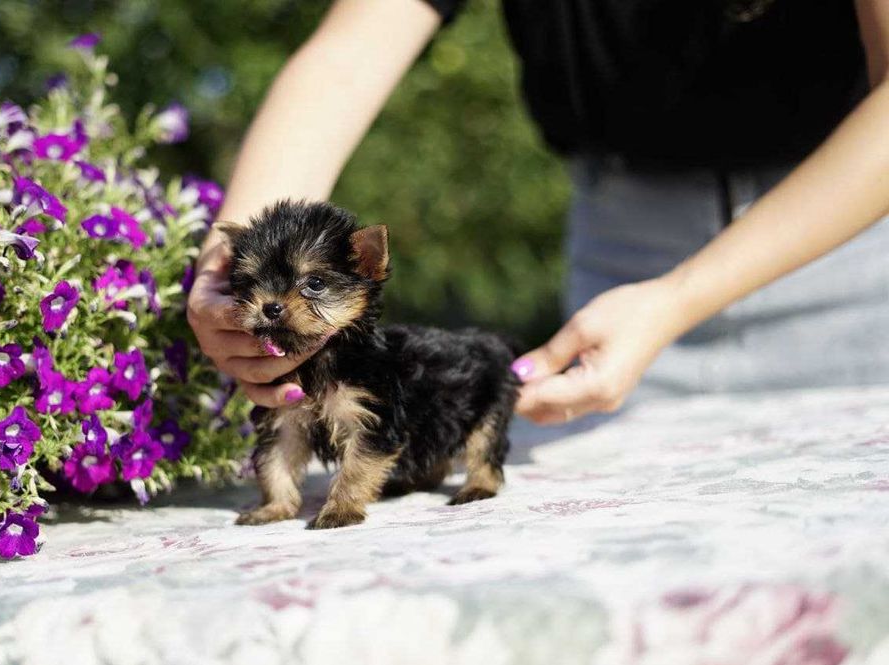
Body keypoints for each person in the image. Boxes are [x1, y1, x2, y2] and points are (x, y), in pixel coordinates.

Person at [188, 0, 889, 426]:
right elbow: (346, 57)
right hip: (625, 263)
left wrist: (679, 300)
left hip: (849, 252)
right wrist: (233, 267)